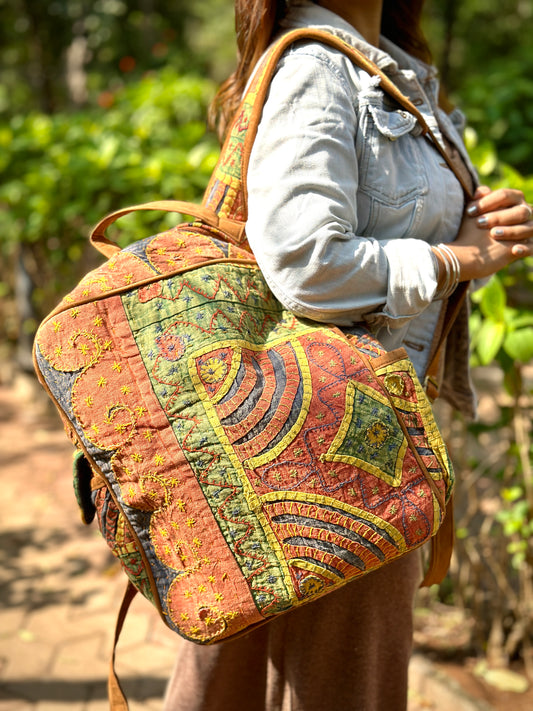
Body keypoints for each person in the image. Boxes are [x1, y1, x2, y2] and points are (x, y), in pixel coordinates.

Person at [163, 1, 533, 709]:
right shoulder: (318, 68)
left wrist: (471, 223)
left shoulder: (383, 62)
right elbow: (308, 265)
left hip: (292, 434)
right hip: (340, 444)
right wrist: (455, 257)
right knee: (335, 683)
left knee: (238, 676)